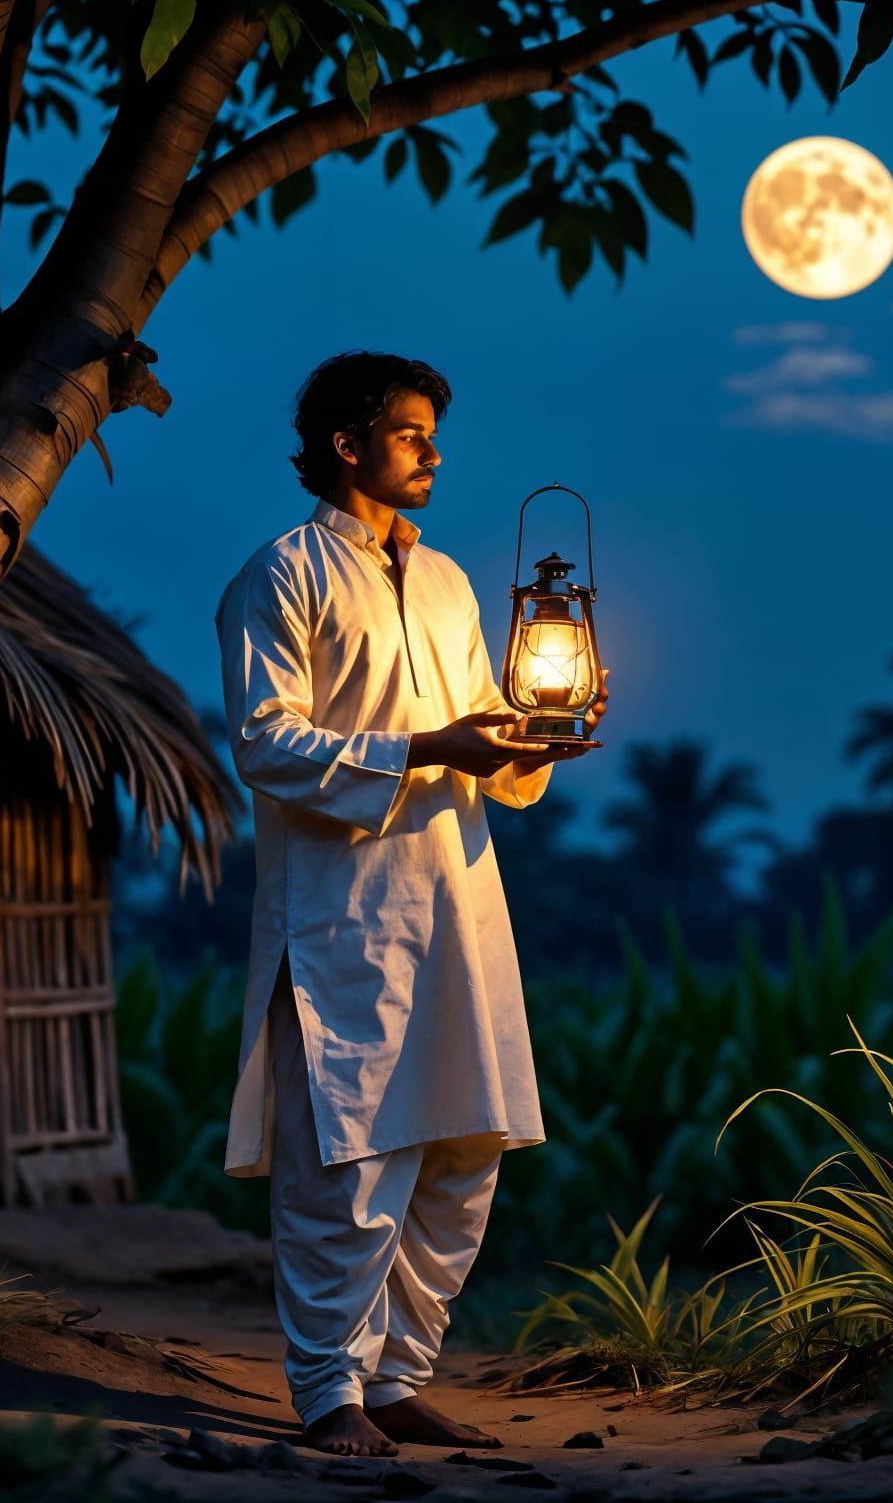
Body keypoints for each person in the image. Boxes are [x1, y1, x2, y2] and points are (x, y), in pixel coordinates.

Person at [214, 351, 609, 1457]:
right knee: (351, 1158)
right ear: (348, 446)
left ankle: (396, 1377)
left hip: (459, 897)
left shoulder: (443, 582)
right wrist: (429, 746)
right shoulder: (281, 576)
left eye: (434, 433)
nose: (433, 452)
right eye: (410, 433)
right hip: (344, 910)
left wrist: (544, 734)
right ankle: (329, 1392)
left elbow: (485, 724)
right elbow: (266, 742)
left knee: (465, 1148)